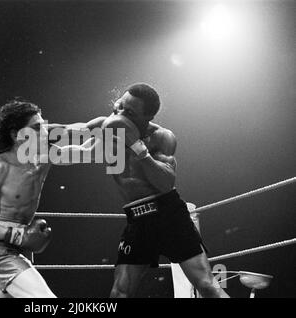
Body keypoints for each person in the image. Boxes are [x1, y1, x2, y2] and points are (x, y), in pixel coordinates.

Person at [82, 83, 230, 298]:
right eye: (120, 106)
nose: (120, 114)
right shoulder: (106, 128)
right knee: (120, 293)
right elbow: (71, 141)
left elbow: (165, 183)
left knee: (206, 285)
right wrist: (32, 139)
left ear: (146, 117)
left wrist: (138, 148)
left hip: (168, 214)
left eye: (129, 112)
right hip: (137, 219)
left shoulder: (162, 137)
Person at [0, 98, 96, 298]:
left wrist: (114, 126)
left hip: (22, 245)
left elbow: (88, 153)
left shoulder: (45, 156)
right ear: (18, 135)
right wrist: (17, 235)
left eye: (43, 126)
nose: (45, 132)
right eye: (37, 128)